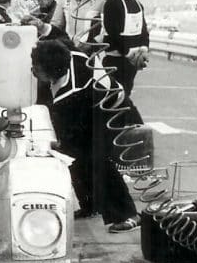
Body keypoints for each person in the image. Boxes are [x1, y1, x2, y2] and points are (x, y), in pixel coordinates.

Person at [31, 40, 140, 231]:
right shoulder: (70, 56)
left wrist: (57, 142)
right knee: (73, 157)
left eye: (37, 68)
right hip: (92, 107)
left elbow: (71, 130)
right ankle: (90, 204)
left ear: (52, 71)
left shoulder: (73, 93)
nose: (33, 71)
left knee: (97, 161)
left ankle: (128, 214)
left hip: (112, 111)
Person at [90, 0, 150, 97]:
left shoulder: (111, 3)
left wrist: (92, 44)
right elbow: (144, 31)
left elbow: (113, 36)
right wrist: (139, 53)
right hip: (133, 62)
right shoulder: (135, 1)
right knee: (124, 95)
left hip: (115, 60)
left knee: (109, 99)